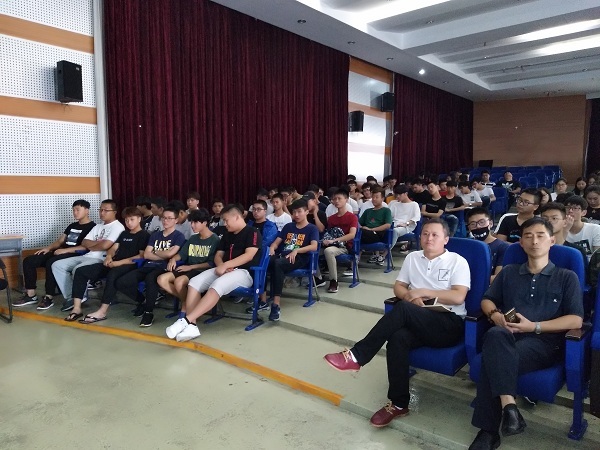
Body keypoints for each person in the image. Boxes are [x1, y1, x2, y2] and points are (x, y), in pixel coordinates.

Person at [323, 219, 470, 427]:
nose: (429, 238)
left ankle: (357, 355)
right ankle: (399, 403)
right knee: (397, 338)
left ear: (446, 239)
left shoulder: (457, 261)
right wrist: (410, 297)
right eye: (425, 234)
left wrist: (423, 292)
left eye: (435, 235)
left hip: (448, 324)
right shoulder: (412, 258)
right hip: (419, 319)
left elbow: (458, 296)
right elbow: (399, 287)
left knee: (402, 308)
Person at [469, 217, 583, 450]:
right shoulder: (509, 272)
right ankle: (509, 407)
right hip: (507, 335)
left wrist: (534, 326)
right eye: (528, 236)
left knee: (493, 358)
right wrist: (495, 316)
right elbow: (487, 300)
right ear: (520, 242)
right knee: (494, 335)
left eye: (540, 236)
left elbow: (576, 319)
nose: (534, 241)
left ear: (552, 241)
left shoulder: (566, 277)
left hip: (543, 343)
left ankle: (488, 431)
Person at [165, 204, 262, 341]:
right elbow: (218, 255)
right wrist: (222, 266)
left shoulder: (252, 232)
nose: (224, 224)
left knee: (217, 285)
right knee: (194, 282)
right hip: (224, 269)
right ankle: (192, 326)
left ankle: (186, 320)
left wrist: (226, 265)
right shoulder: (227, 234)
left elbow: (249, 255)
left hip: (243, 272)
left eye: (226, 220)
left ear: (236, 217)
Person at [64, 207, 150, 323]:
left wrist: (118, 263)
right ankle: (77, 308)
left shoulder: (144, 235)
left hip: (130, 265)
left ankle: (102, 311)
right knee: (81, 271)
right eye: (126, 220)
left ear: (139, 219)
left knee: (112, 275)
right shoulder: (124, 233)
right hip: (114, 263)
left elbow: (141, 256)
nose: (129, 223)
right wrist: (109, 257)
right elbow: (113, 248)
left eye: (132, 219)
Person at [13, 200, 96, 310]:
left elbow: (86, 247)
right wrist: (48, 248)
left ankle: (49, 297)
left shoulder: (93, 227)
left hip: (75, 255)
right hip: (60, 251)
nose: (75, 213)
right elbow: (60, 241)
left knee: (51, 263)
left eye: (77, 210)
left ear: (87, 210)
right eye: (73, 210)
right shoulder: (72, 225)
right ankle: (31, 295)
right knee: (29, 260)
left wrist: (65, 251)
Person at [115, 204, 186, 327]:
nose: (165, 221)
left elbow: (171, 254)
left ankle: (149, 312)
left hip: (163, 268)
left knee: (150, 279)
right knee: (121, 282)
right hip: (147, 265)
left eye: (169, 218)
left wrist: (156, 252)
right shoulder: (155, 235)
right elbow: (147, 254)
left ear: (176, 220)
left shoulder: (178, 236)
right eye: (164, 218)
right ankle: (142, 301)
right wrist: (162, 254)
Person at [248, 199, 319, 320]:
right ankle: (263, 300)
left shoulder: (312, 228)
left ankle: (276, 305)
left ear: (307, 212)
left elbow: (314, 246)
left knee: (278, 264)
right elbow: (276, 242)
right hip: (283, 256)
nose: (296, 215)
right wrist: (272, 248)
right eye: (294, 212)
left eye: (299, 211)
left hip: (300, 257)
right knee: (263, 262)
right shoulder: (289, 226)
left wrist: (297, 250)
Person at [52, 199, 125, 313]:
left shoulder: (118, 227)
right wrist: (98, 245)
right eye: (100, 210)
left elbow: (105, 246)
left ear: (114, 212)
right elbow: (85, 242)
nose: (102, 213)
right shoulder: (98, 226)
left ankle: (80, 295)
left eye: (106, 210)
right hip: (87, 256)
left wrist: (94, 245)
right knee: (57, 265)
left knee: (78, 269)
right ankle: (71, 297)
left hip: (101, 259)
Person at [157, 208, 219, 316]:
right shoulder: (193, 238)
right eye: (191, 222)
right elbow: (182, 254)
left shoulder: (215, 239)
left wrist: (191, 267)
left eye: (195, 222)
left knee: (179, 282)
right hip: (188, 268)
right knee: (161, 279)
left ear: (204, 223)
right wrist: (173, 259)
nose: (192, 225)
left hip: (202, 271)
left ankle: (187, 307)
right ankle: (188, 302)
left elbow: (211, 263)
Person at [320, 189, 358, 293]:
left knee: (329, 251)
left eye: (339, 198)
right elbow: (329, 233)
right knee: (313, 250)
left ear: (346, 199)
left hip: (345, 246)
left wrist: (335, 240)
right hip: (332, 244)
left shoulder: (352, 217)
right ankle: (318, 278)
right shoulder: (331, 218)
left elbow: (352, 234)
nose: (336, 201)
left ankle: (334, 281)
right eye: (334, 199)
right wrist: (327, 240)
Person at [466, 207, 509, 283]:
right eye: (473, 224)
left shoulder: (502, 247)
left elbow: (498, 277)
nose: (478, 226)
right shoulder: (466, 245)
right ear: (469, 228)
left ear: (490, 223)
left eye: (482, 222)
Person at [360, 187, 393, 265]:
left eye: (377, 197)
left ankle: (354, 261)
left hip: (377, 234)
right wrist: (361, 227)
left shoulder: (386, 210)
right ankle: (354, 261)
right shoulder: (367, 211)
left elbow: (388, 225)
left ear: (382, 198)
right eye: (373, 197)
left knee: (359, 234)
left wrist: (371, 229)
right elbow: (358, 223)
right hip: (365, 233)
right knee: (355, 233)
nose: (374, 199)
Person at [388, 185, 420, 249]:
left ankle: (387, 251)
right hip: (394, 224)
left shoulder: (414, 205)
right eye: (397, 195)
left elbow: (416, 217)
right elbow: (389, 215)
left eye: (400, 195)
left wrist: (406, 224)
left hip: (406, 226)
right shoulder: (394, 204)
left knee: (395, 231)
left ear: (406, 194)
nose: (398, 196)